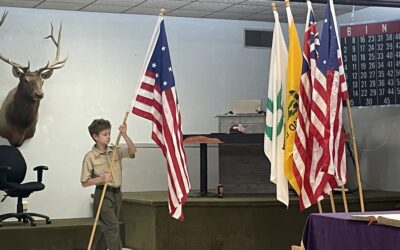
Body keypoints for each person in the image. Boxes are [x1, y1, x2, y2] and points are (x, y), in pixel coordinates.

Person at [80, 118, 136, 250]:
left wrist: (124, 135)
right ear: (95, 136)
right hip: (103, 194)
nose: (108, 137)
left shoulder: (115, 150)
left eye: (109, 133)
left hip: (117, 194)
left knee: (108, 227)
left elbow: (133, 151)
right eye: (105, 134)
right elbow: (84, 182)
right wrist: (100, 179)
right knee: (112, 228)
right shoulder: (90, 157)